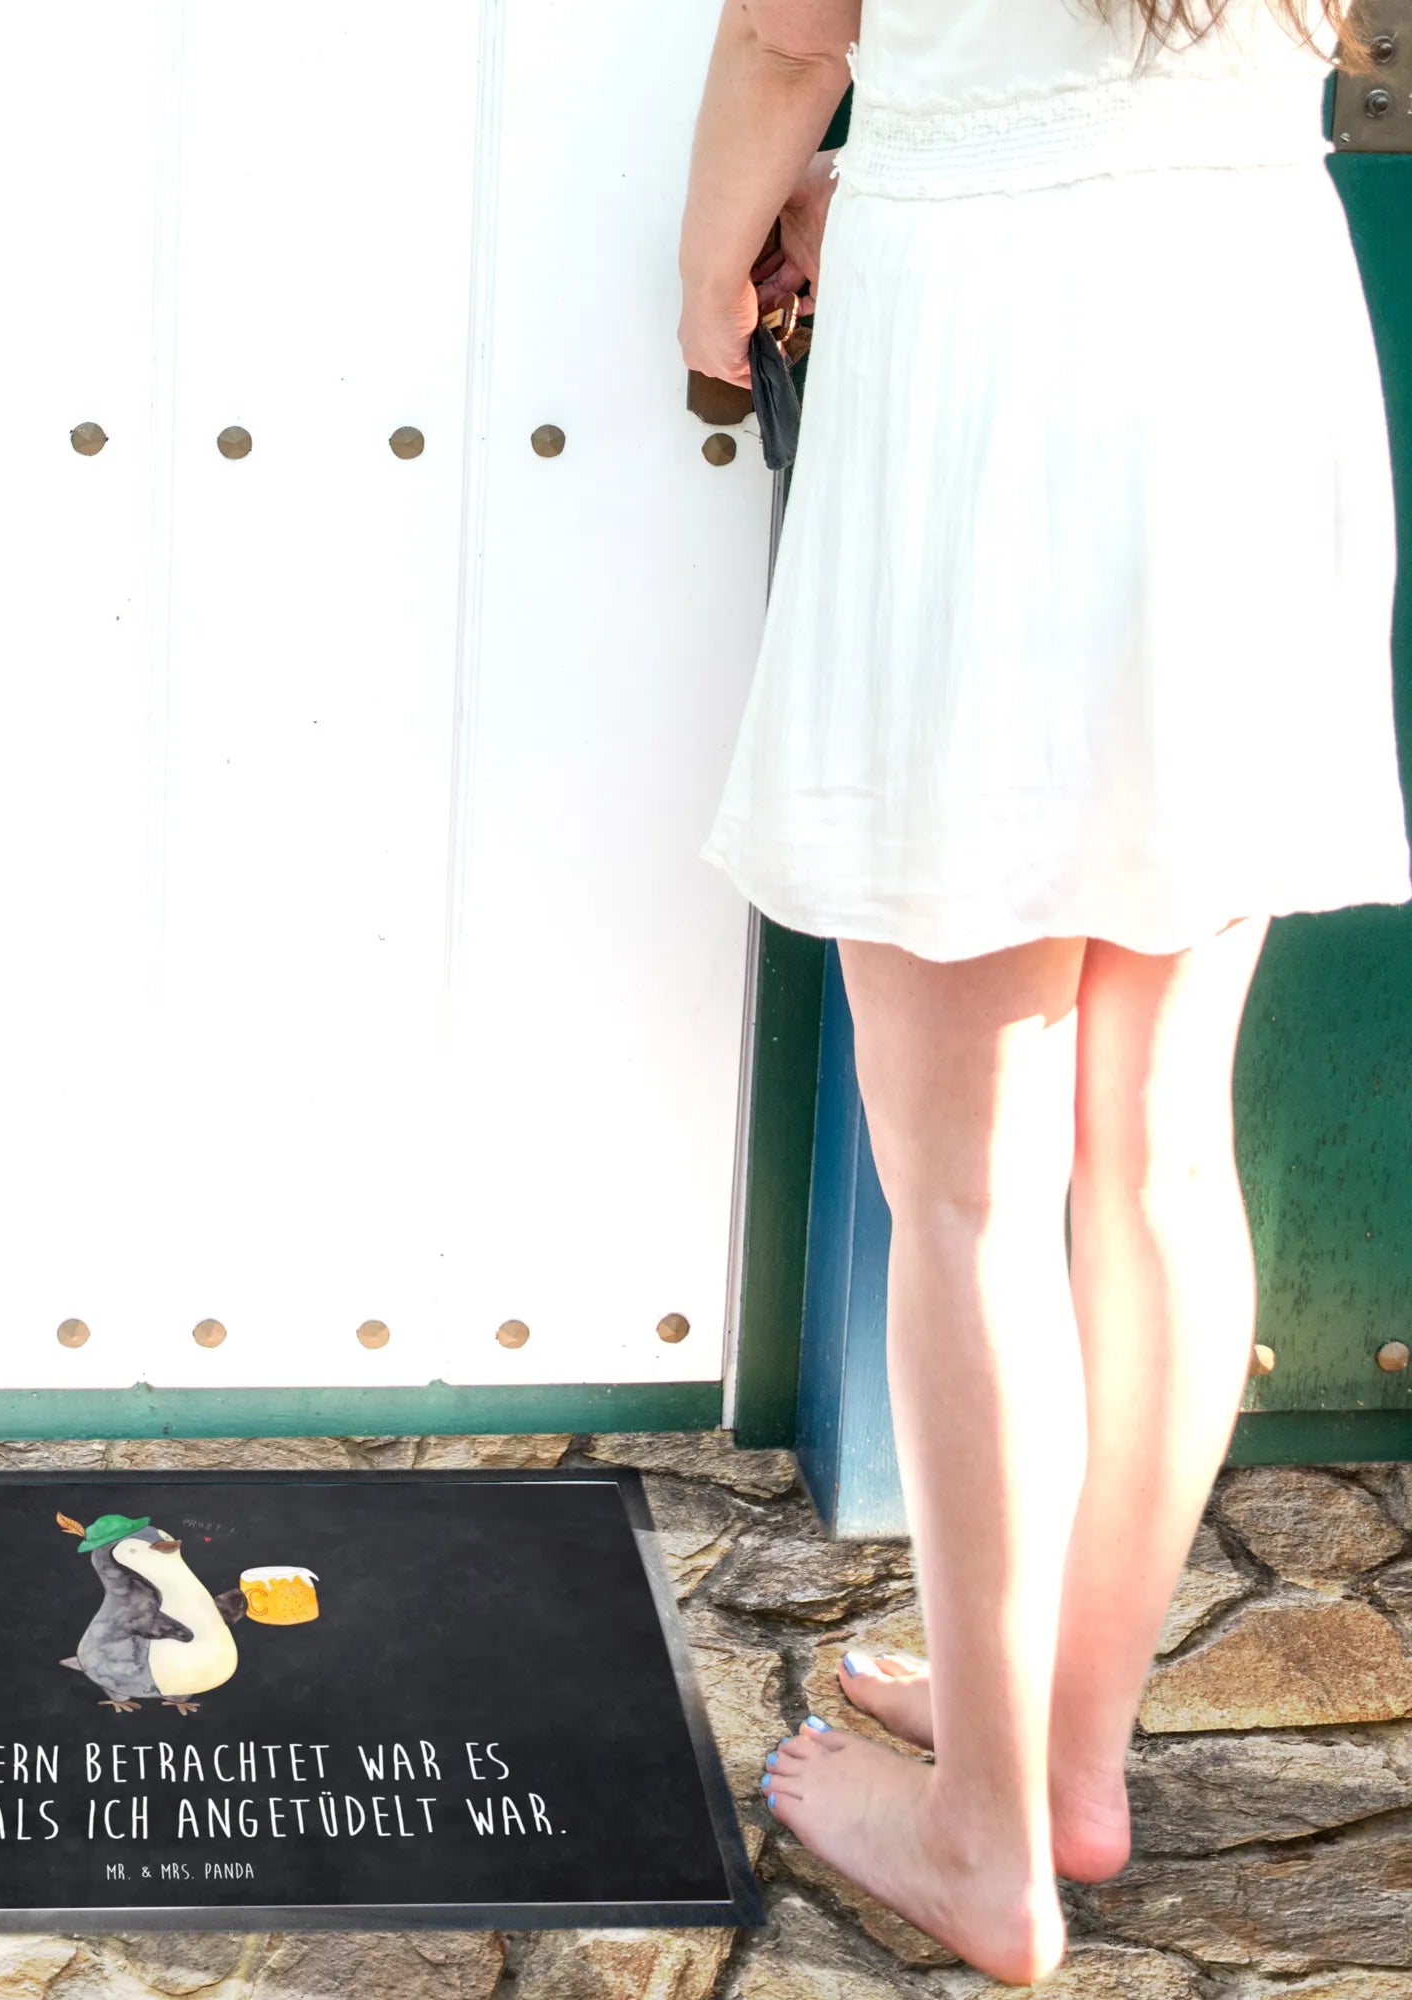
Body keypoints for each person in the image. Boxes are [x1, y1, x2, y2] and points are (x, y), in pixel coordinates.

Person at [678, 0, 1411, 1983]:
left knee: (971, 1188)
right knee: (1159, 1153)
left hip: (995, 368)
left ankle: (983, 1841)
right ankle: (1072, 1755)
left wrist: (710, 275)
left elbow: (784, 40)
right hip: (1246, 326)